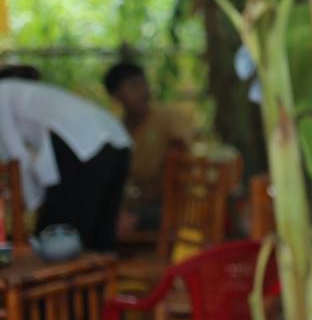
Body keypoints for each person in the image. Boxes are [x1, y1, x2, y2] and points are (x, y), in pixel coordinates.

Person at [0, 77, 131, 250]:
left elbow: (17, 160)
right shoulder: (15, 90)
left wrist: (29, 205)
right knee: (101, 230)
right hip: (118, 140)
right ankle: (101, 276)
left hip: (84, 143)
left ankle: (64, 275)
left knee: (58, 232)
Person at [103, 61, 197, 232]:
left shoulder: (169, 118)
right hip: (140, 205)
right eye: (133, 86)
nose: (144, 92)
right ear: (115, 96)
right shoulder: (115, 131)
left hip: (177, 202)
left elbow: (180, 165)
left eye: (144, 84)